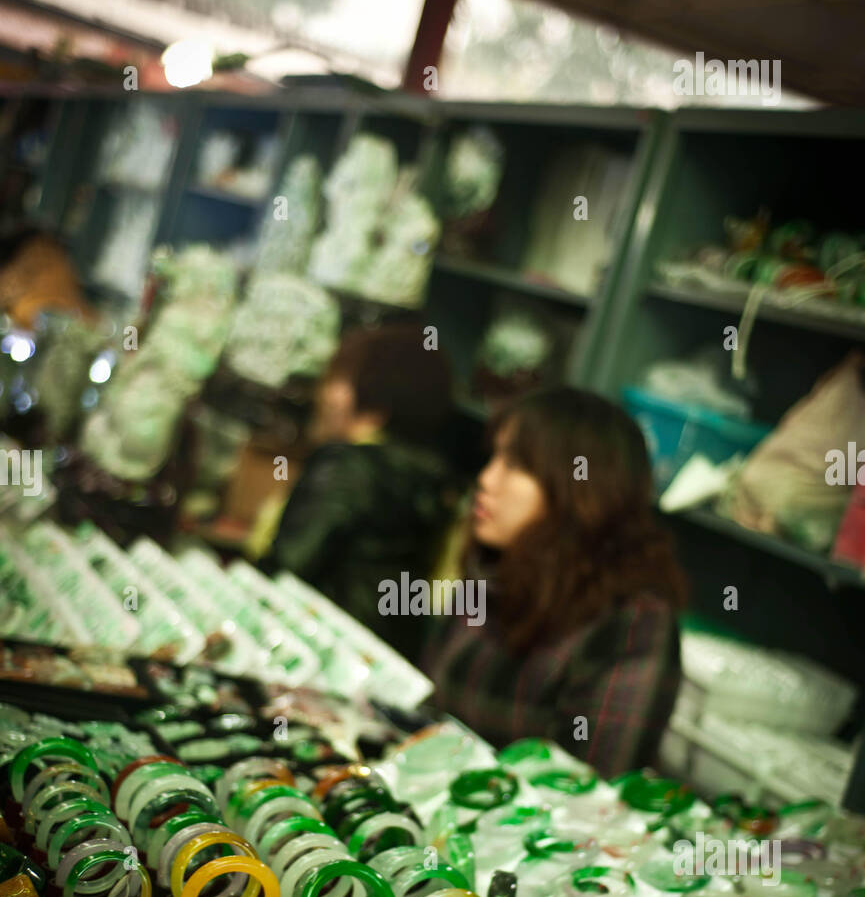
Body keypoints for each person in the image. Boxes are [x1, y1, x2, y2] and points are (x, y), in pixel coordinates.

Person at [423, 387, 686, 775]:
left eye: (516, 465)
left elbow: (589, 791)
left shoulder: (633, 622)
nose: (487, 479)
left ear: (580, 490)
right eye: (493, 457)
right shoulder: (492, 568)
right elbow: (432, 709)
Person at [264, 323, 455, 659]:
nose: (323, 393)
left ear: (373, 399)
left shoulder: (349, 468)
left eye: (336, 378)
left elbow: (287, 567)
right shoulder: (428, 477)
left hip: (316, 651)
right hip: (379, 660)